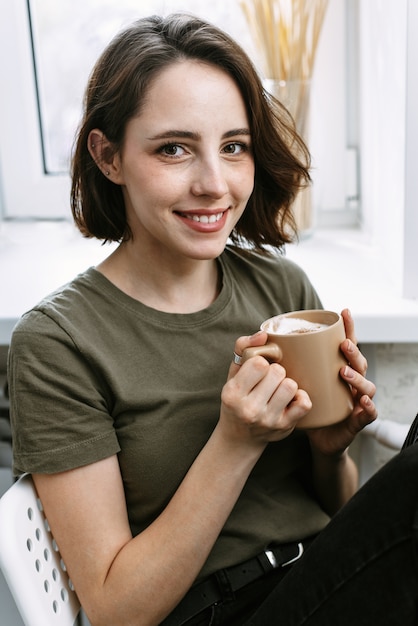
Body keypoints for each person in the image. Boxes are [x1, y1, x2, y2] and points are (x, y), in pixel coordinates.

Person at [7, 13, 417, 626]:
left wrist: (330, 452)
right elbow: (118, 610)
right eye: (174, 148)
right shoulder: (59, 343)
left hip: (324, 577)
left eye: (234, 147)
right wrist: (235, 440)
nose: (214, 184)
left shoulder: (282, 288)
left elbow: (342, 517)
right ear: (108, 156)